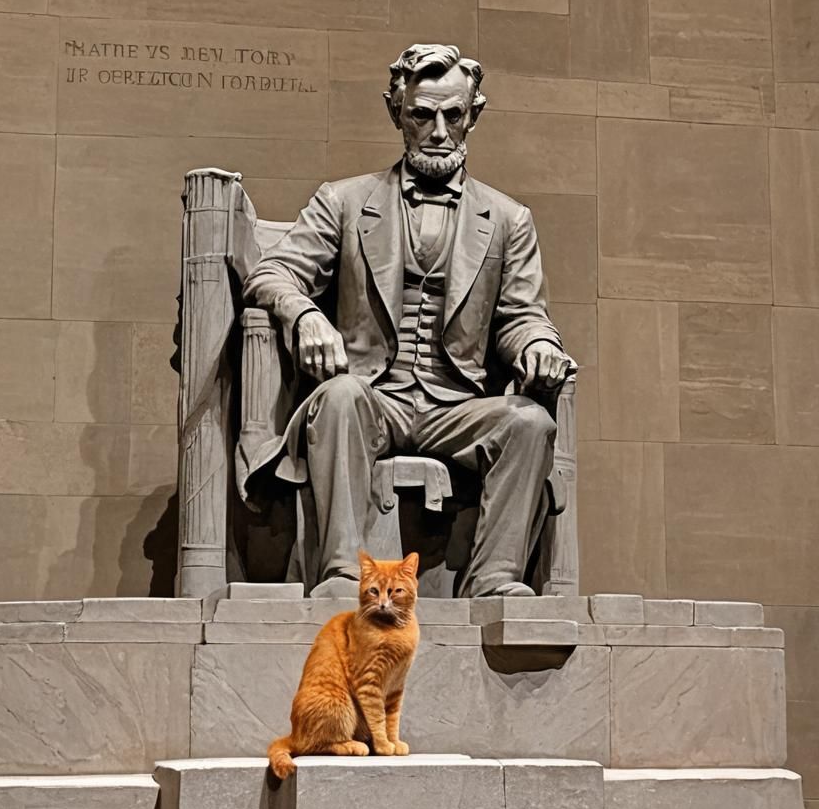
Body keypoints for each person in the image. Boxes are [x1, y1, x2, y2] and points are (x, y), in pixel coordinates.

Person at [242, 44, 576, 598]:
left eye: (454, 115)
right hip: (377, 396)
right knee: (341, 396)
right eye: (422, 114)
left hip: (458, 405)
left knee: (530, 424)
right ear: (397, 112)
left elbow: (522, 316)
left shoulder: (510, 219)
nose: (439, 130)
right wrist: (304, 314)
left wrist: (539, 345)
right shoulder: (344, 201)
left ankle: (493, 585)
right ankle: (343, 576)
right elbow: (271, 273)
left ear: (474, 113)